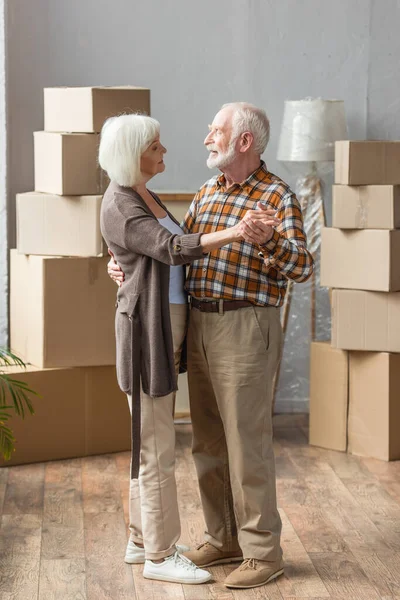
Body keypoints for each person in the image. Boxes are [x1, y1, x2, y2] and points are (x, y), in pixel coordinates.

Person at [108, 103, 314, 589]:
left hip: (246, 326)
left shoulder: (277, 195)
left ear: (244, 141)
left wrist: (267, 242)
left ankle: (264, 552)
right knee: (208, 441)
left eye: (216, 131)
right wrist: (123, 267)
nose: (206, 138)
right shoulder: (206, 193)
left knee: (248, 444)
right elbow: (171, 249)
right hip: (200, 324)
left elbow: (302, 267)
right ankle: (224, 539)